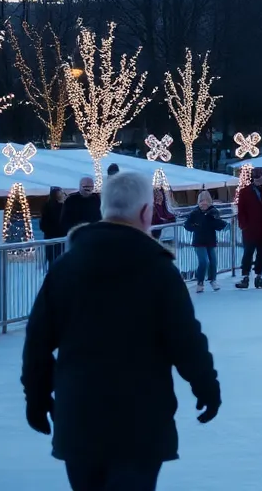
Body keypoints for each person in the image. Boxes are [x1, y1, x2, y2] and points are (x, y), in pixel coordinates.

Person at [21, 170, 220, 491]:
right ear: (145, 212)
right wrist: (206, 386)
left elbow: (38, 341)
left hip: (79, 416)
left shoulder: (65, 267)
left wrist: (37, 396)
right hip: (140, 422)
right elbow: (185, 340)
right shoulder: (158, 269)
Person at [183, 191, 226, 293]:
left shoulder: (213, 212)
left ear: (210, 202)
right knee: (203, 261)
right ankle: (200, 282)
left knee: (213, 261)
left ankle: (213, 280)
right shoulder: (194, 213)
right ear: (198, 202)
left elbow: (218, 225)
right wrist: (194, 227)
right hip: (199, 241)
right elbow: (187, 225)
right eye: (202, 201)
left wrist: (220, 223)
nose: (204, 203)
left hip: (210, 240)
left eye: (206, 201)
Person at [38, 187, 67, 265]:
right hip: (53, 239)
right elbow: (44, 224)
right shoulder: (49, 207)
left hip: (60, 239)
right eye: (61, 193)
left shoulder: (65, 206)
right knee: (54, 260)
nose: (64, 195)